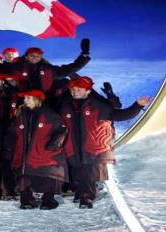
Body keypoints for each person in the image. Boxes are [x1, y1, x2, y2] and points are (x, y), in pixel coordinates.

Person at [57, 76, 152, 208]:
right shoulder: (64, 105)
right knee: (76, 170)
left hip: (93, 147)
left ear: (87, 91)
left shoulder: (98, 105)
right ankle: (81, 192)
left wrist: (138, 105)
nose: (75, 92)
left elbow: (122, 115)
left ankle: (87, 197)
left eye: (79, 90)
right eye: (73, 89)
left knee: (89, 171)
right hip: (71, 146)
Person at [5, 89, 67, 210]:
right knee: (24, 177)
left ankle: (48, 200)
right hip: (23, 153)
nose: (25, 100)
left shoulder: (49, 114)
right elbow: (11, 132)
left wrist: (53, 145)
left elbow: (61, 130)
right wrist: (9, 147)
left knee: (47, 176)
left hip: (44, 152)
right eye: (25, 98)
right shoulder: (20, 114)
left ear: (37, 99)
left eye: (28, 98)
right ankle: (26, 200)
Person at [8, 39, 91, 99]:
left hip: (45, 100)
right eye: (31, 55)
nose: (35, 57)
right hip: (24, 99)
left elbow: (70, 68)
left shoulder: (48, 69)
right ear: (26, 57)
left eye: (38, 55)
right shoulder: (16, 68)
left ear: (41, 57)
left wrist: (84, 55)